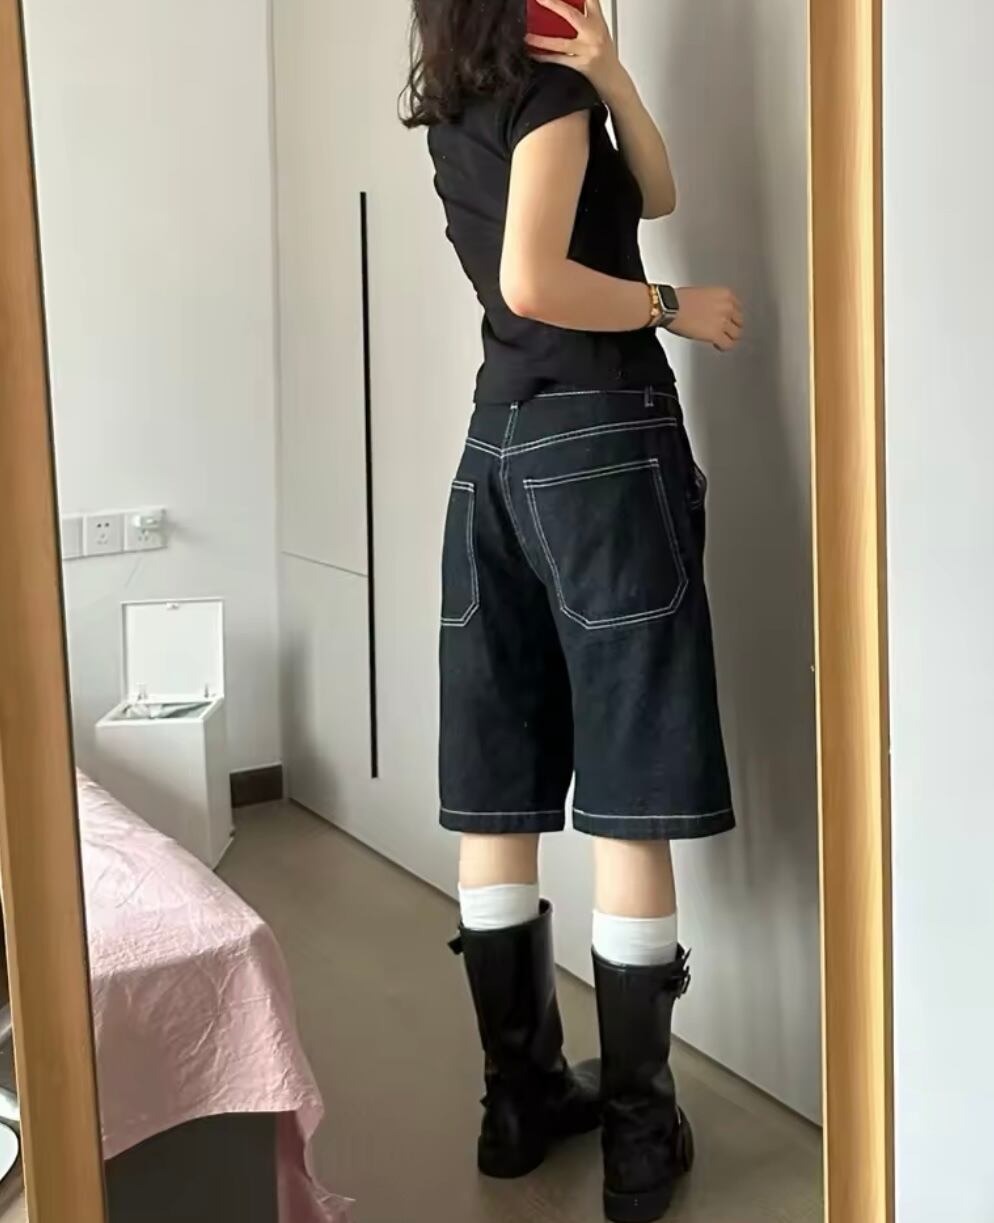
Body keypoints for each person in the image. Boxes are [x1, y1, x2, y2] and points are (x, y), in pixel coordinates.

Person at [403, 1, 741, 1219]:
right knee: (629, 788)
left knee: (498, 786)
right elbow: (534, 279)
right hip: (598, 442)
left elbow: (652, 193)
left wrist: (613, 77)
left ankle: (519, 1102)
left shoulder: (461, 106)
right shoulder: (546, 102)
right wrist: (670, 307)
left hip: (494, 454)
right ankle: (639, 1142)